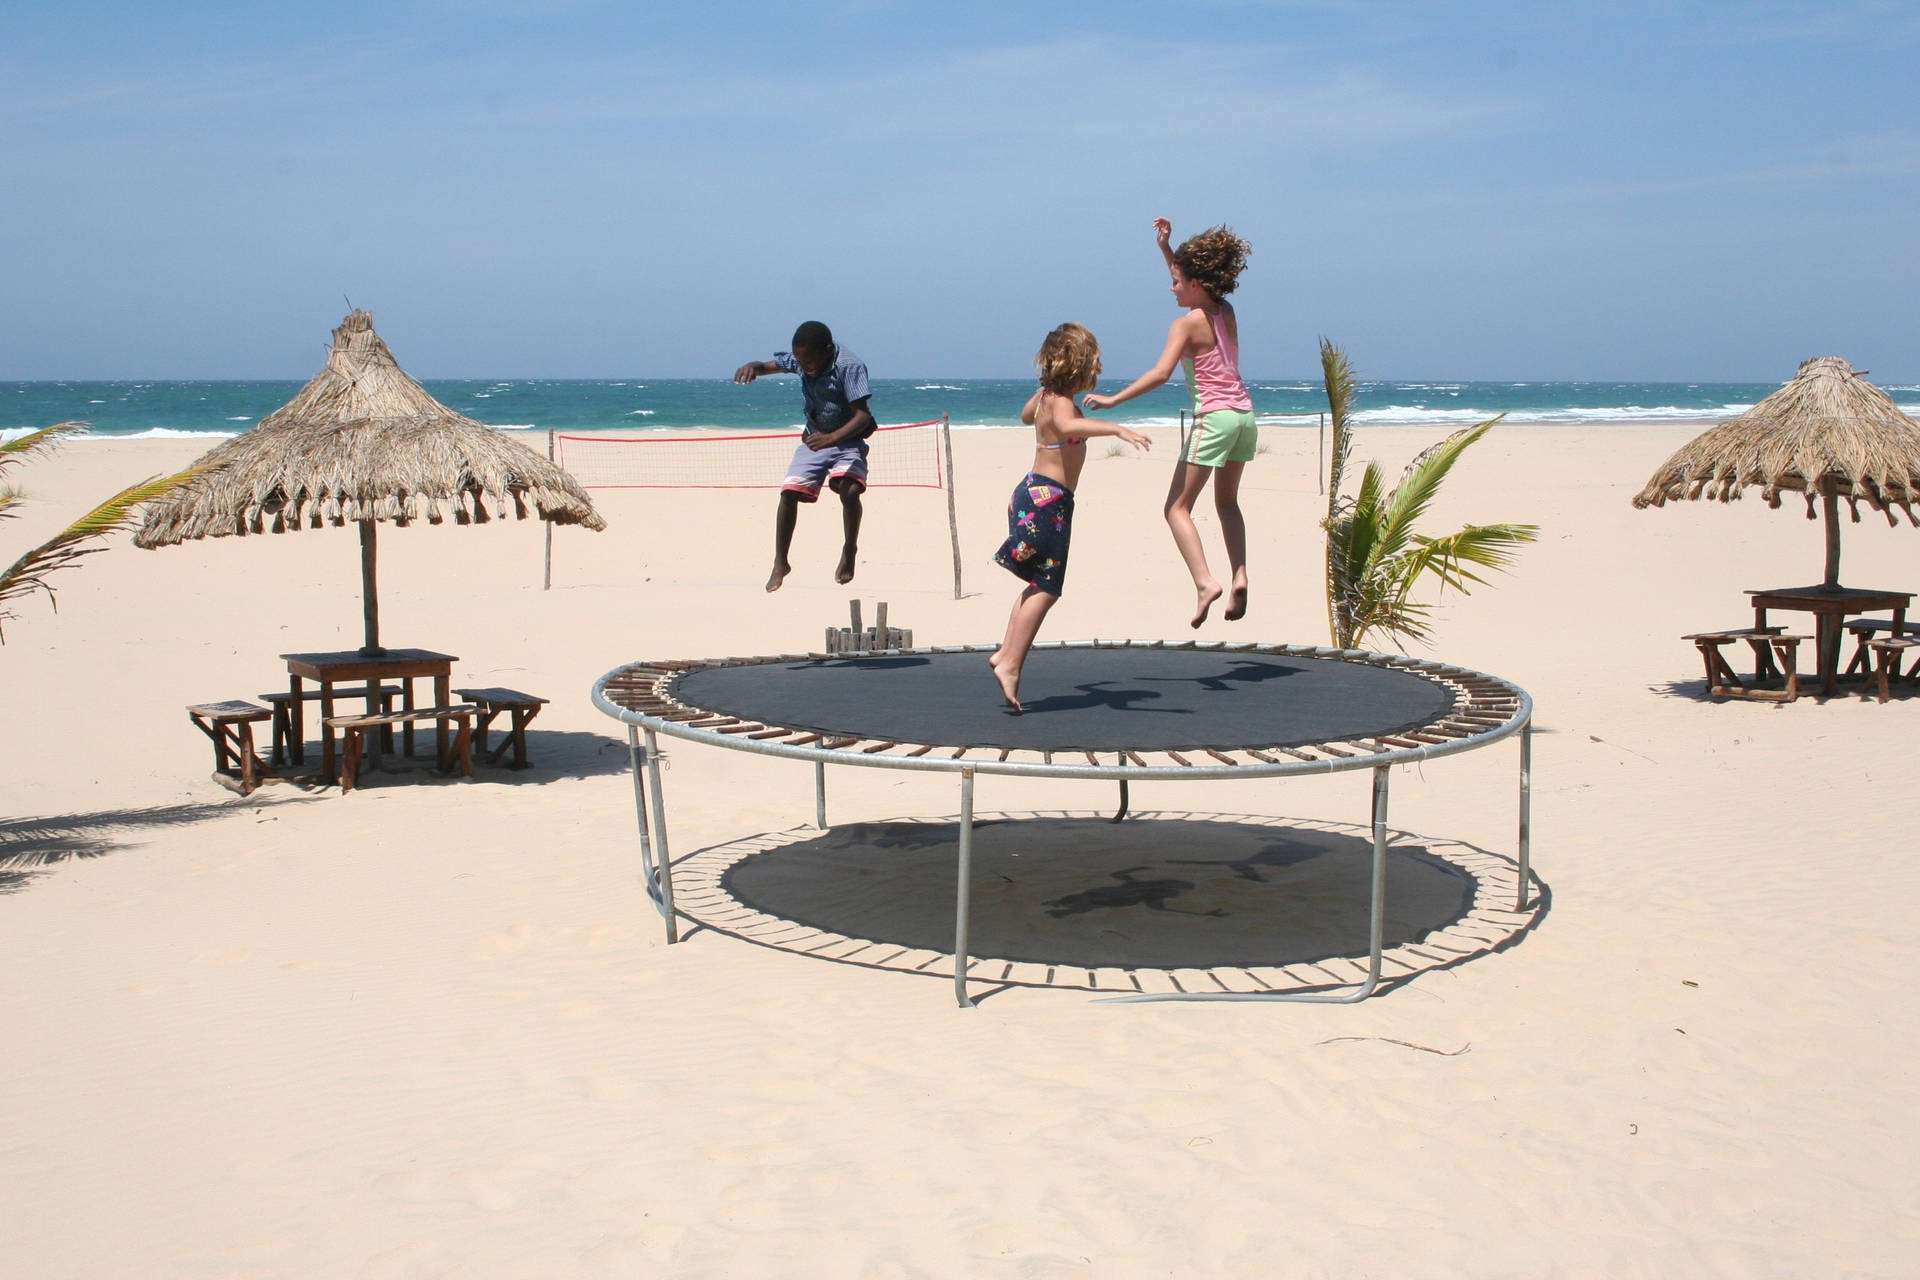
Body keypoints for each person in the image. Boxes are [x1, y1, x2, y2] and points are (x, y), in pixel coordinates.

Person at [1083, 218, 1255, 628]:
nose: (1170, 286)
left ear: (1195, 283)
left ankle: (1204, 583)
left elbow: (1161, 373)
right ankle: (1240, 574)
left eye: (1176, 281)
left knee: (1176, 507)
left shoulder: (1185, 325)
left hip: (1213, 419)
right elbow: (1192, 277)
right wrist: (1167, 248)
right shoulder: (1225, 311)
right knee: (1227, 502)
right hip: (1245, 417)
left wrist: (1113, 400)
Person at [990, 324, 1152, 710]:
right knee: (1047, 587)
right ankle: (1011, 663)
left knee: (1036, 582)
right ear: (1079, 369)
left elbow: (1027, 416)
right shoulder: (1061, 403)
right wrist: (1115, 428)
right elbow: (1066, 426)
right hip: (1049, 502)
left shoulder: (1047, 396)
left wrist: (1044, 388)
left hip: (1030, 494)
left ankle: (1005, 655)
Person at [733, 321, 875, 591]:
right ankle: (780, 562)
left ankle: (849, 549)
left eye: (810, 361)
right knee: (788, 493)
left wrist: (831, 439)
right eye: (800, 361)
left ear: (828, 350)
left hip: (848, 438)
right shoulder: (802, 359)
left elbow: (862, 416)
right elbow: (770, 366)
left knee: (850, 490)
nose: (805, 367)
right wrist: (753, 366)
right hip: (815, 437)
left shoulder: (849, 366)